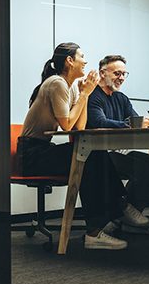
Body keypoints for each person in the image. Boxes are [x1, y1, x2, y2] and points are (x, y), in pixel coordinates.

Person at [18, 43, 129, 250]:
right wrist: (86, 94)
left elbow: (79, 127)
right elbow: (67, 125)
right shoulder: (56, 83)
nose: (86, 61)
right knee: (89, 156)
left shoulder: (69, 87)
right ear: (70, 61)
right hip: (32, 155)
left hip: (41, 150)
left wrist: (83, 94)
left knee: (91, 154)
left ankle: (116, 209)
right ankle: (106, 221)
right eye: (82, 56)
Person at [86, 55, 149, 230]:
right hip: (99, 154)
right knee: (141, 168)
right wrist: (131, 123)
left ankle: (130, 209)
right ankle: (126, 211)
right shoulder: (93, 96)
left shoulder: (122, 98)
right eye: (117, 73)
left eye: (124, 74)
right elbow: (100, 122)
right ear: (102, 73)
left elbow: (135, 121)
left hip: (121, 151)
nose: (121, 78)